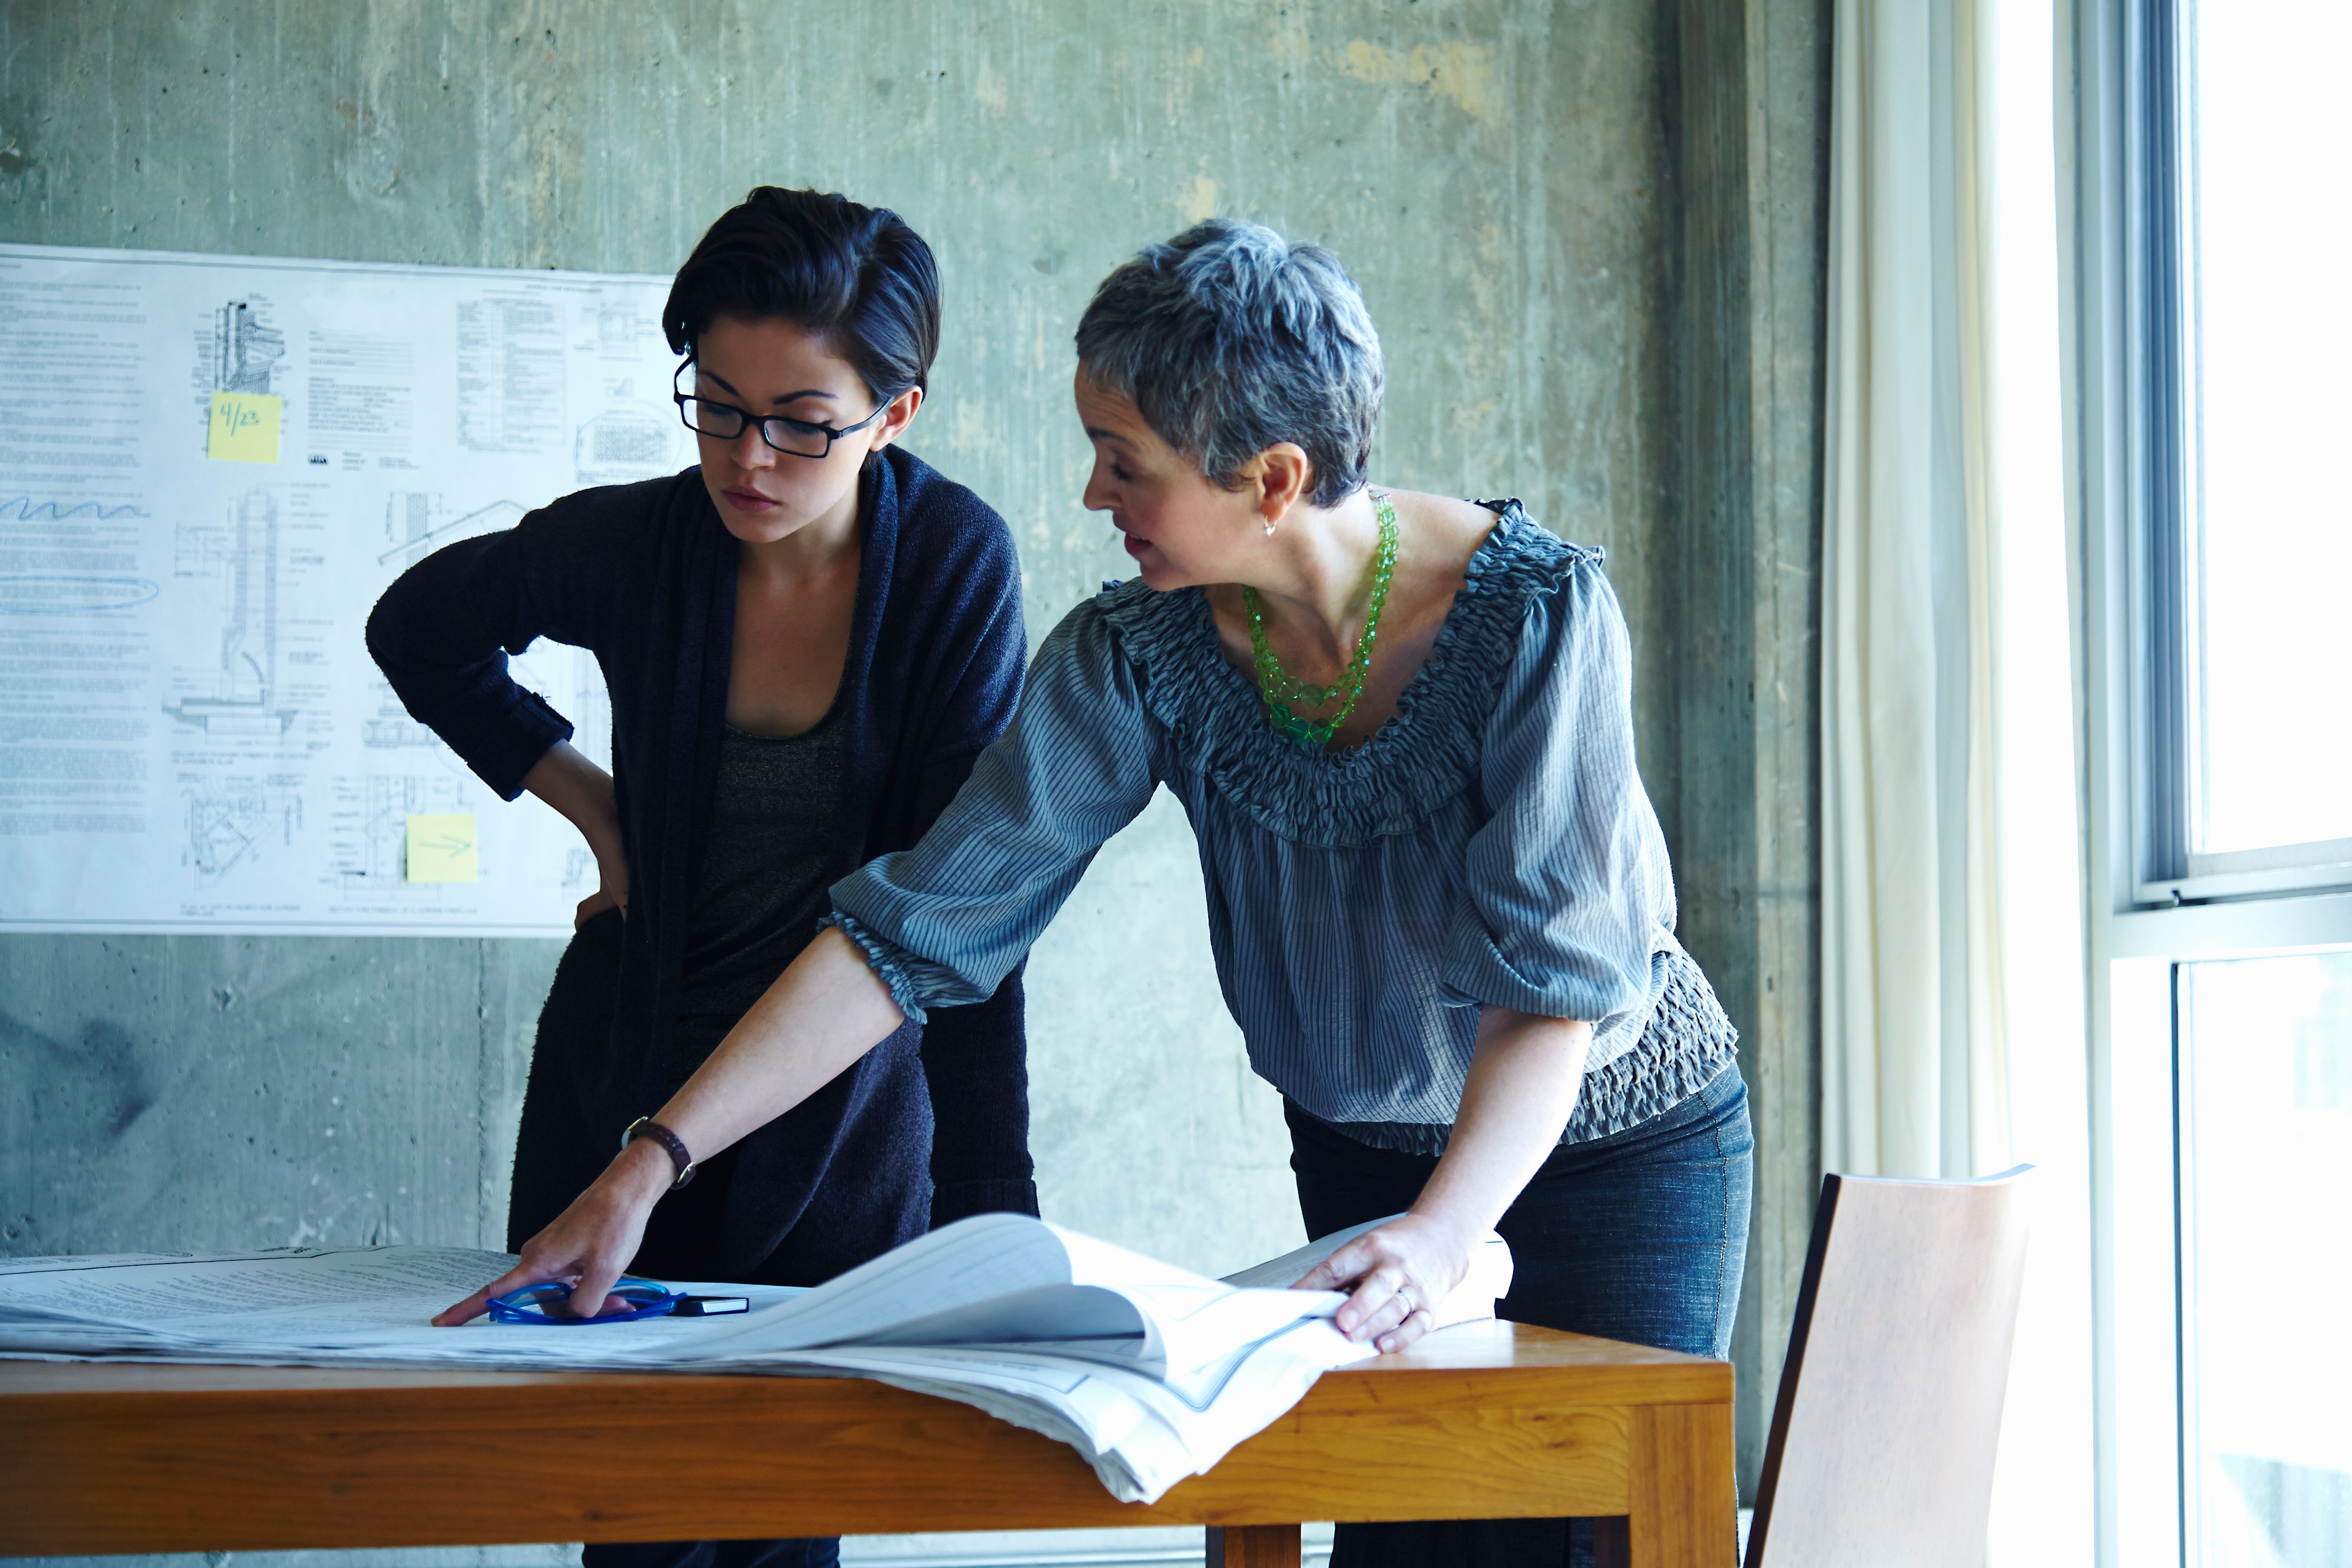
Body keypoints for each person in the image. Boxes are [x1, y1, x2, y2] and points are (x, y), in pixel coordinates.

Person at [440, 219, 1752, 1568]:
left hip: (1611, 1146)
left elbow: (1553, 987)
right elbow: (914, 928)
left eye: (1123, 463)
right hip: (1368, 1154)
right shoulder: (1134, 652)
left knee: (1592, 1537)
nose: (1090, 497)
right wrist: (651, 1158)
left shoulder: (1534, 615)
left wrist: (1443, 1233)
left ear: (1271, 477)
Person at [368, 187, 1038, 1568]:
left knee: (783, 1527)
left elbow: (962, 916)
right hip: (618, 1095)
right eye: (716, 403)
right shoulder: (635, 544)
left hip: (837, 1125)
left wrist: (994, 1229)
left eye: (802, 419)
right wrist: (598, 809)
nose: (748, 455)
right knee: (629, 1523)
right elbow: (418, 628)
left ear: (895, 413)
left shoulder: (952, 568)